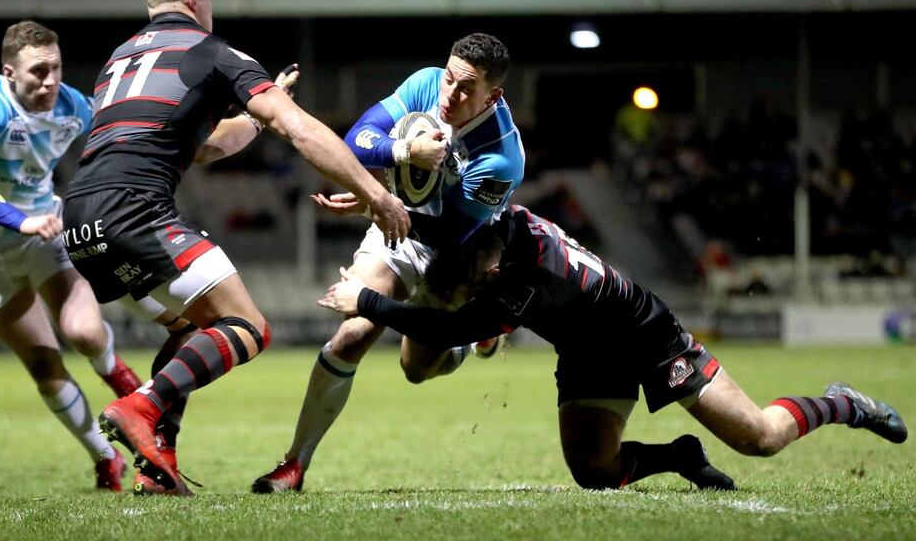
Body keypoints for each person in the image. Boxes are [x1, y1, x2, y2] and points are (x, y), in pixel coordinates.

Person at [61, 0, 409, 496]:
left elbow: (202, 146)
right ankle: (142, 406)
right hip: (134, 211)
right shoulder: (215, 52)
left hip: (80, 221)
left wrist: (255, 116)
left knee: (186, 330)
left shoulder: (121, 58)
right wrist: (375, 193)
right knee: (247, 326)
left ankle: (159, 465)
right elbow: (298, 129)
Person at [317, 204, 908, 490]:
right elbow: (445, 221)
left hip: (645, 335)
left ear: (489, 274)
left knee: (760, 438)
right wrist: (374, 200)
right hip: (586, 348)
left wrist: (364, 302)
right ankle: (678, 456)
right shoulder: (503, 224)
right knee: (594, 472)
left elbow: (445, 332)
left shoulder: (526, 281)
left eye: (472, 286)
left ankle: (844, 403)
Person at [253, 32, 526, 493]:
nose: (449, 95)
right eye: (448, 79)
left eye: (466, 88)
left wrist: (370, 204)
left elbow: (448, 234)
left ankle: (470, 340)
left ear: (492, 95)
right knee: (352, 335)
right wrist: (403, 154)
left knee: (416, 370)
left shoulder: (502, 157)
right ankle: (293, 465)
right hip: (400, 226)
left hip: (458, 253)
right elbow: (356, 141)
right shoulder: (425, 85)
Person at [0, 20, 144, 492]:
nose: (49, 80)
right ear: (9, 71)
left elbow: (130, 136)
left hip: (45, 235)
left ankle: (121, 380)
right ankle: (106, 456)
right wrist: (18, 219)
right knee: (44, 365)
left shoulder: (73, 105)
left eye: (55, 68)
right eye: (37, 71)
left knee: (85, 333)